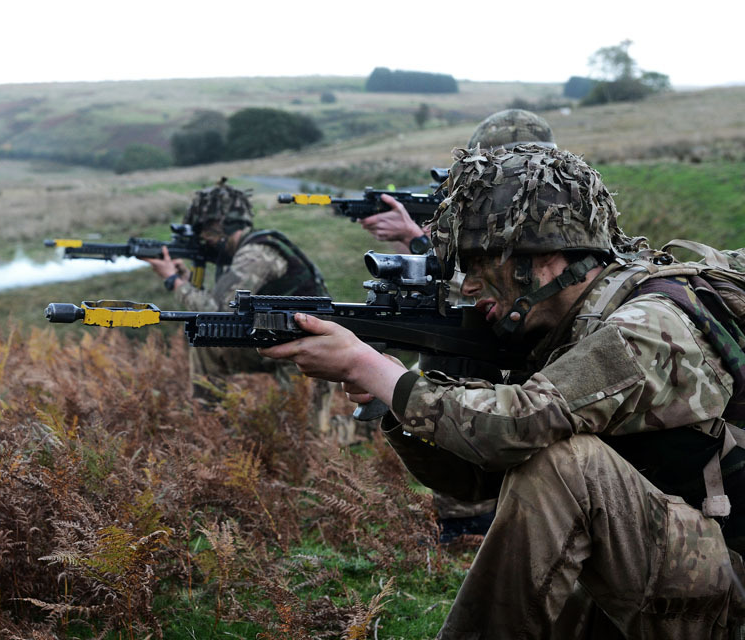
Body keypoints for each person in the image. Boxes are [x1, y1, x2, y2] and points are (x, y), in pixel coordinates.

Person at [261, 144, 745, 637]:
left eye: (477, 263)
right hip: (677, 563)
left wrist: (377, 372)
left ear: (547, 256)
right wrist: (392, 396)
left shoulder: (650, 324)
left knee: (567, 462)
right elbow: (475, 481)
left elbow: (520, 424)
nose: (467, 286)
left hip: (729, 584)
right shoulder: (563, 330)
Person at [363, 109, 560, 539]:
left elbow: (481, 281)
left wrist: (416, 237)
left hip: (516, 411)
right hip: (468, 401)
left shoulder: (557, 219)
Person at [143, 177, 335, 436]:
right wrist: (187, 280)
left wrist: (174, 282)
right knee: (205, 344)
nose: (205, 240)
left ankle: (360, 432)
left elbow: (216, 312)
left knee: (304, 437)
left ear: (225, 226)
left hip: (310, 350)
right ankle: (210, 430)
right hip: (278, 342)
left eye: (206, 231)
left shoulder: (255, 254)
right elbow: (219, 311)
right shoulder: (248, 251)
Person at [360, 108, 557, 252]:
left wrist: (414, 237)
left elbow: (470, 290)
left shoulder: (537, 213)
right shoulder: (563, 198)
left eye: (483, 170)